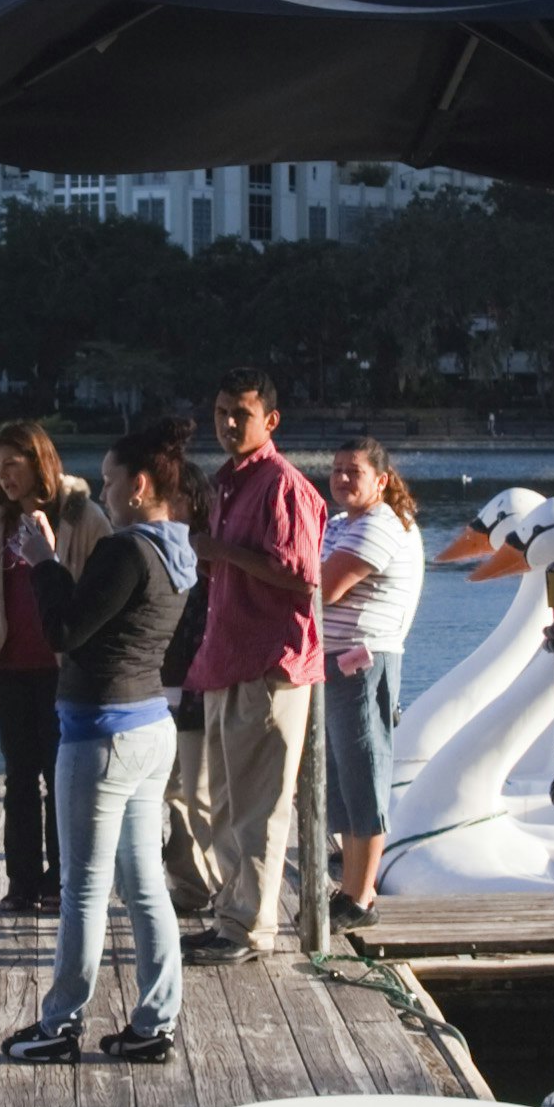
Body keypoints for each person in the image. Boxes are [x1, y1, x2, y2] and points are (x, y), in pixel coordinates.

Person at [5, 419, 193, 1064]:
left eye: (111, 481)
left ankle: (59, 1024)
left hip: (101, 734)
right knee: (144, 883)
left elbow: (65, 632)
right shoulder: (179, 550)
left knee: (84, 886)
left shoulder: (125, 550)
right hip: (149, 728)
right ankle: (154, 1023)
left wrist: (43, 564)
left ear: (139, 485)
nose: (105, 493)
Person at [175, 371, 325, 958]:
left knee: (260, 807)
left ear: (271, 420)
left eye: (241, 413)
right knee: (222, 805)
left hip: (271, 663)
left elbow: (301, 574)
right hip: (225, 659)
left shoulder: (281, 485)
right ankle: (232, 913)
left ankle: (251, 927)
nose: (229, 423)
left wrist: (220, 553)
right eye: (221, 412)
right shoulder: (226, 483)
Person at [0, 421, 104, 913]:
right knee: (19, 775)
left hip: (63, 668)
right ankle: (21, 883)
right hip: (7, 666)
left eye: (12, 465)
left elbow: (111, 582)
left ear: (38, 461)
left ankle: (60, 882)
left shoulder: (82, 517)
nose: (3, 477)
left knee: (61, 774)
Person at [318, 438, 423, 913]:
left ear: (380, 480)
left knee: (365, 771)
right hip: (333, 661)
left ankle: (360, 896)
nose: (341, 478)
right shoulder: (342, 523)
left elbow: (325, 587)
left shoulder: (382, 523)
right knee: (340, 777)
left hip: (364, 662)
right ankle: (349, 887)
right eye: (337, 470)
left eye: (353, 471)